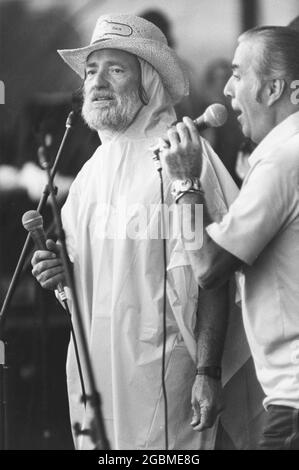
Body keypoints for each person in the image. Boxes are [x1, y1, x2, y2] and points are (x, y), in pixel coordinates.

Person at [31, 14, 243, 450]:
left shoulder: (184, 154)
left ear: (149, 81)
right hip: (96, 381)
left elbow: (214, 278)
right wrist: (58, 274)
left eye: (115, 69)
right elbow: (86, 288)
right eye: (91, 70)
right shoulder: (91, 173)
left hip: (168, 379)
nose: (97, 81)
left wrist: (208, 372)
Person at [160, 26, 299, 450]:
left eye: (238, 74)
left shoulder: (282, 158)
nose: (226, 89)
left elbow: (206, 268)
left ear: (274, 87)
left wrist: (185, 182)